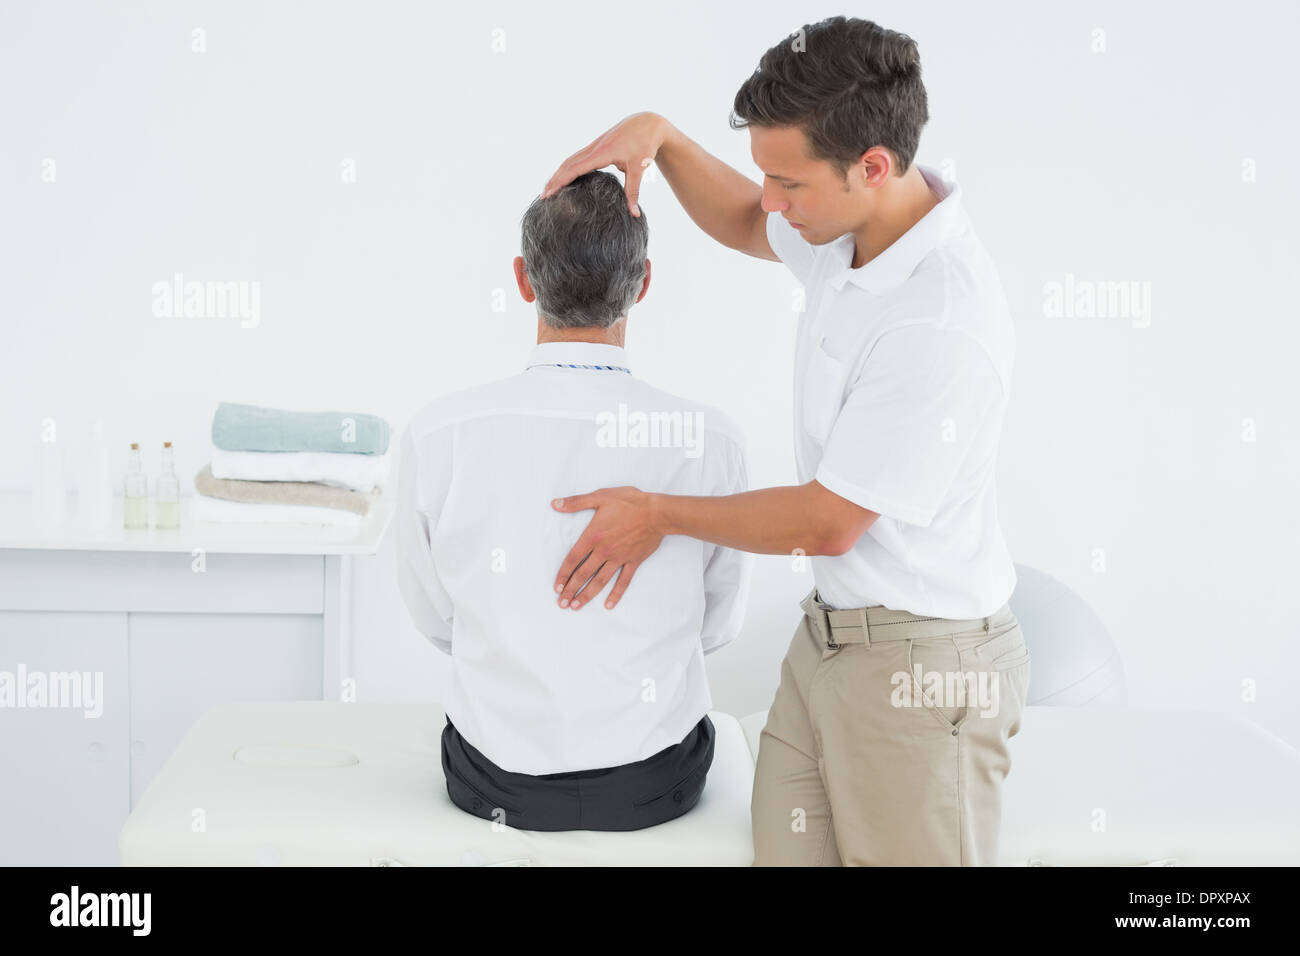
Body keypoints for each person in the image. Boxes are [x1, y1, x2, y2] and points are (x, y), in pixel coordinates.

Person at [539, 16, 1031, 865]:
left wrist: (657, 513)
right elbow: (738, 217)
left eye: (788, 182)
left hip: (920, 665)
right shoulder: (852, 231)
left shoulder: (938, 318)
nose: (771, 199)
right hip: (830, 645)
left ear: (872, 166)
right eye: (769, 174)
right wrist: (660, 137)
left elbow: (828, 521)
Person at [395, 170, 753, 832]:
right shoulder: (713, 440)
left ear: (524, 279)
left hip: (493, 780)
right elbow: (718, 626)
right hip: (657, 781)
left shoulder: (438, 433)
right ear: (643, 282)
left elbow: (437, 619)